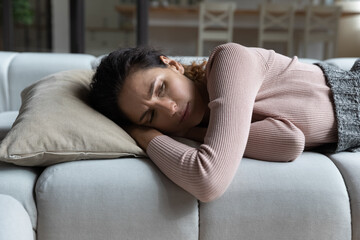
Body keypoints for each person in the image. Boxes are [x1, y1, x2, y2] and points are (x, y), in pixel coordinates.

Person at [89, 43, 360, 202]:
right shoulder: (205, 125)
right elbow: (289, 142)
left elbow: (207, 180)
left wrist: (143, 134)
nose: (169, 109)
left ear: (172, 64)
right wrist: (190, 131)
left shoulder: (230, 61)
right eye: (150, 116)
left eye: (160, 89)